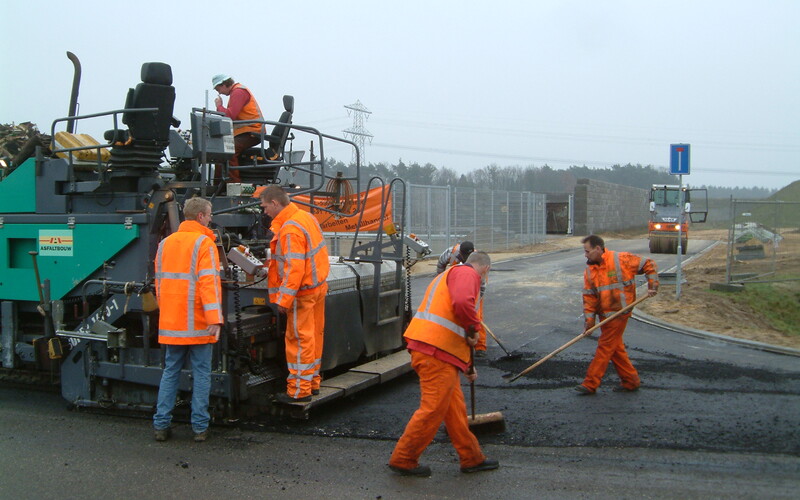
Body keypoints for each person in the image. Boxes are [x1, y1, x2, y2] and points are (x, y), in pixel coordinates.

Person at [389, 251, 499, 477]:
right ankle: (404, 458)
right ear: (485, 269)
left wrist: (468, 365)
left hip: (437, 351)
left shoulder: (451, 273)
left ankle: (471, 458)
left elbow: (454, 322)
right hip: (435, 352)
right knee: (433, 408)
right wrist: (474, 329)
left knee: (454, 409)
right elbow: (461, 305)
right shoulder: (468, 274)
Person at [153, 197, 223, 442]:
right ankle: (199, 428)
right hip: (198, 323)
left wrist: (168, 312)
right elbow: (209, 285)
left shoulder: (165, 244)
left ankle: (161, 425)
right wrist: (215, 319)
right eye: (210, 213)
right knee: (202, 373)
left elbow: (159, 284)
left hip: (172, 322)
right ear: (201, 217)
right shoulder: (205, 243)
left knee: (170, 371)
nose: (212, 217)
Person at [260, 186, 330, 403]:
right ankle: (312, 382)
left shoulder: (290, 229)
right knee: (314, 336)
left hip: (302, 293)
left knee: (299, 339)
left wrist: (284, 299)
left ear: (274, 203)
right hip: (317, 287)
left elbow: (294, 269)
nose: (264, 212)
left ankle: (299, 391)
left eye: (264, 207)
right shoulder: (305, 217)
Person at [576, 235, 659, 395]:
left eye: (587, 251)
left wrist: (652, 285)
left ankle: (590, 383)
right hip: (604, 316)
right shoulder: (590, 271)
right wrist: (589, 322)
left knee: (605, 346)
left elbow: (650, 264)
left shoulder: (621, 259)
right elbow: (589, 298)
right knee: (615, 348)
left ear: (598, 249)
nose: (585, 255)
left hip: (620, 313)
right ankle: (631, 380)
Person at [212, 74, 265, 182]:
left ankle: (233, 185)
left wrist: (219, 106)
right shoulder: (236, 92)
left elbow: (229, 116)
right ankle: (219, 185)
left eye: (218, 89)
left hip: (252, 131)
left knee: (229, 149)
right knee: (220, 150)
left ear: (224, 84)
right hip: (247, 132)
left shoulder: (238, 92)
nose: (219, 93)